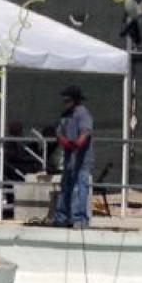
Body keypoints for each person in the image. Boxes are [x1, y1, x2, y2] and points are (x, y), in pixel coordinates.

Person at [53, 84, 93, 228]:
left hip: (82, 161)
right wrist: (64, 141)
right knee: (65, 188)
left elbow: (86, 132)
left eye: (67, 100)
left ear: (75, 100)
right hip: (69, 160)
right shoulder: (64, 115)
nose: (65, 103)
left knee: (80, 188)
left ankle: (80, 219)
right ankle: (61, 217)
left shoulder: (83, 113)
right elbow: (59, 133)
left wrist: (77, 143)